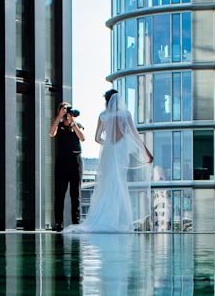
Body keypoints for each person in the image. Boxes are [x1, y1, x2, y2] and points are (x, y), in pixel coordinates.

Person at [63, 89, 153, 233]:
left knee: (108, 184)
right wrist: (147, 152)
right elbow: (135, 136)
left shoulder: (103, 116)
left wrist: (109, 144)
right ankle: (119, 220)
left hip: (109, 152)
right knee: (120, 183)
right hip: (122, 152)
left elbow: (97, 138)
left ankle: (106, 218)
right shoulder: (126, 115)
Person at [49, 101, 85, 232]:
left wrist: (73, 123)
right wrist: (59, 117)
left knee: (75, 193)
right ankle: (59, 222)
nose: (66, 113)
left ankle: (76, 222)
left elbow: (82, 138)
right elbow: (51, 133)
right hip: (62, 161)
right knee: (59, 192)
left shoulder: (77, 125)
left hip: (75, 160)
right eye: (64, 110)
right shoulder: (58, 125)